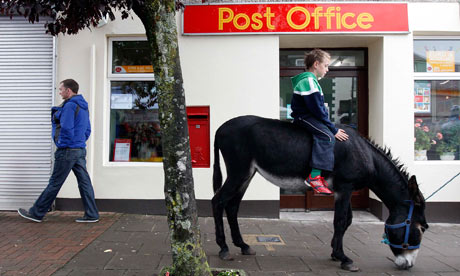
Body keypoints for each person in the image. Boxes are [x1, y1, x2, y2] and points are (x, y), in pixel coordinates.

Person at [18, 79, 99, 222]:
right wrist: (79, 142)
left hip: (67, 150)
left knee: (55, 182)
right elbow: (87, 129)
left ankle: (36, 213)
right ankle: (92, 214)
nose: (59, 92)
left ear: (68, 91)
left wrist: (63, 143)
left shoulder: (69, 106)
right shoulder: (84, 106)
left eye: (61, 89)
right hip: (79, 149)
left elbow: (67, 128)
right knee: (84, 182)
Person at [290, 49, 349, 195]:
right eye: (326, 65)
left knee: (327, 133)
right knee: (327, 137)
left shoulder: (312, 81)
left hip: (310, 117)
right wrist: (333, 129)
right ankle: (314, 177)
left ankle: (319, 175)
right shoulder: (309, 81)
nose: (327, 69)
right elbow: (317, 110)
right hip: (304, 117)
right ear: (316, 64)